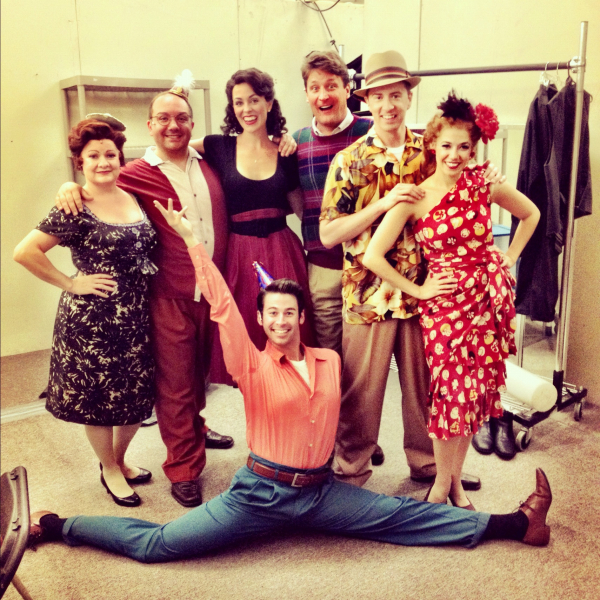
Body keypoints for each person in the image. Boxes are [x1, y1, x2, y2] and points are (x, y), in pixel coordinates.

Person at [27, 198, 553, 563]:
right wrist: (190, 240)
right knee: (160, 545)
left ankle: (515, 524)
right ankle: (57, 526)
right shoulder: (250, 363)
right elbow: (222, 303)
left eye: (288, 313)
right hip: (259, 493)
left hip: (320, 492)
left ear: (301, 317)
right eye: (271, 314)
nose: (279, 321)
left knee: (401, 517)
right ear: (261, 320)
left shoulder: (328, 361)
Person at [54, 73, 234, 509]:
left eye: (182, 118)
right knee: (175, 384)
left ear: (192, 123)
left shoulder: (211, 163)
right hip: (169, 295)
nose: (173, 125)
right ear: (149, 125)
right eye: (163, 118)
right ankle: (184, 468)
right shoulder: (134, 173)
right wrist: (68, 186)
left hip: (214, 290)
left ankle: (196, 429)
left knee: (200, 375)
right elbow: (96, 183)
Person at [320, 50, 498, 488]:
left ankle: (432, 468)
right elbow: (328, 234)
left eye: (396, 95)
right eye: (379, 96)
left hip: (428, 291)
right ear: (367, 101)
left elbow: (463, 184)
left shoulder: (433, 151)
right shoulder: (349, 161)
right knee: (361, 393)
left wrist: (489, 176)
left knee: (426, 389)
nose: (388, 105)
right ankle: (351, 471)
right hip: (368, 293)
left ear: (407, 97)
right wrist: (382, 205)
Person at [363, 92, 540, 508]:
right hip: (444, 308)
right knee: (449, 395)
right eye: (446, 145)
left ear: (473, 148)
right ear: (432, 144)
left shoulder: (484, 182)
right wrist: (419, 290)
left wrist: (508, 258)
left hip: (485, 301)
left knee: (473, 394)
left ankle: (452, 484)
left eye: (463, 147)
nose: (454, 155)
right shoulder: (416, 196)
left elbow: (531, 214)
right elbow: (373, 255)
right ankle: (442, 485)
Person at [14, 117, 156, 507]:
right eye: (93, 156)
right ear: (80, 162)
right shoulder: (74, 205)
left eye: (110, 154)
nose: (103, 162)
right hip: (92, 323)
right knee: (99, 401)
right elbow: (24, 252)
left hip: (136, 316)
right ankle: (108, 468)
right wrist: (71, 283)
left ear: (120, 158)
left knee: (135, 398)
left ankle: (120, 460)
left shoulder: (133, 196)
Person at [189, 68, 315, 386]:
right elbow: (172, 148)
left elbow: (301, 210)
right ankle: (258, 410)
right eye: (239, 102)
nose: (247, 109)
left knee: (287, 331)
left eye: (254, 99)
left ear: (269, 103)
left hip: (282, 250)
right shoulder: (218, 146)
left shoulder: (285, 151)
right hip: (240, 254)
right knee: (246, 334)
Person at [293, 50, 385, 466]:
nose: (323, 95)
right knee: (329, 360)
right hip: (324, 268)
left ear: (348, 88)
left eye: (332, 85)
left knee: (364, 366)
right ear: (306, 93)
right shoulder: (296, 143)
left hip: (372, 271)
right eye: (315, 87)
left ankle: (359, 437)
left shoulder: (373, 131)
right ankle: (335, 437)